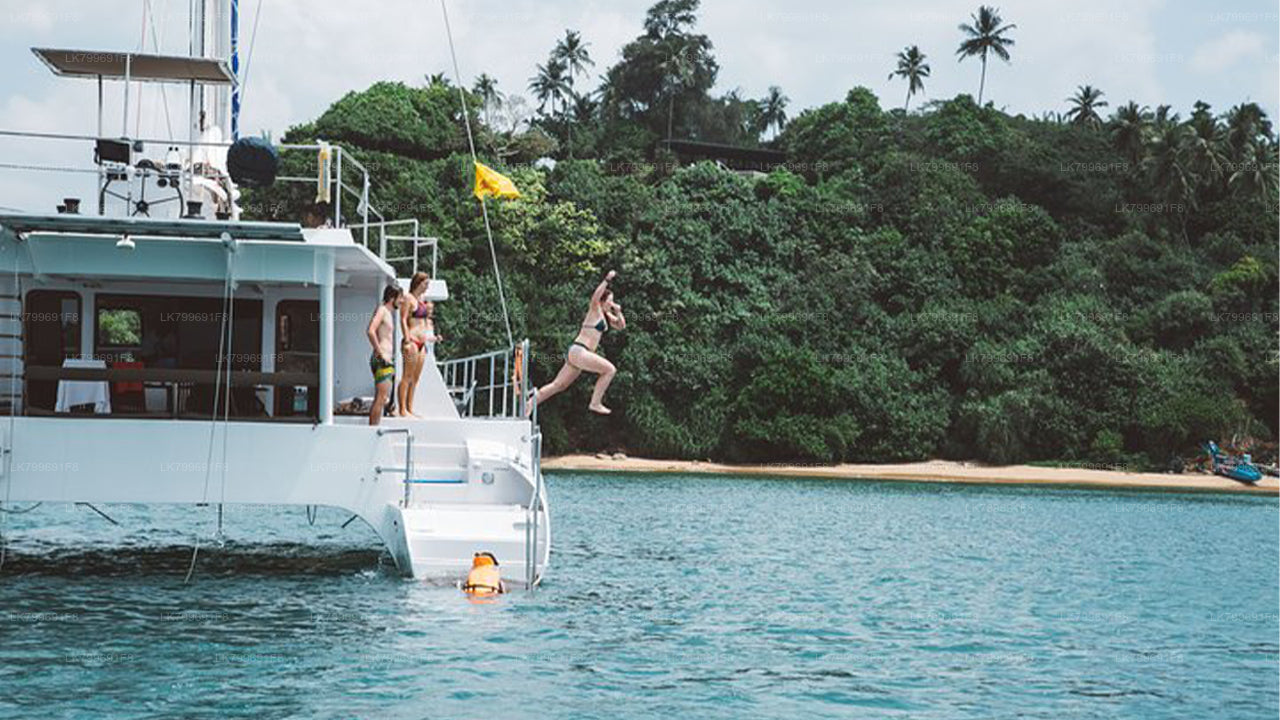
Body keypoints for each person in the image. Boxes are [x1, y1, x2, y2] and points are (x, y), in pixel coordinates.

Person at [532, 270, 626, 415]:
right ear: (602, 301)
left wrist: (618, 312)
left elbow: (621, 326)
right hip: (580, 351)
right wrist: (607, 279)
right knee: (610, 370)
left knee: (559, 385)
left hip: (577, 354)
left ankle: (530, 403)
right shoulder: (595, 310)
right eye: (610, 300)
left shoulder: (606, 316)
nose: (611, 303)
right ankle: (595, 403)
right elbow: (595, 297)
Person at [397, 272, 442, 418]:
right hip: (412, 342)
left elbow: (425, 320)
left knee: (415, 378)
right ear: (419, 282)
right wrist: (407, 338)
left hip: (422, 344)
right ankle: (402, 409)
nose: (427, 286)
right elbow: (403, 319)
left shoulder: (421, 300)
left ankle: (410, 408)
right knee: (406, 376)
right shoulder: (408, 298)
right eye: (426, 283)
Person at [366, 285, 400, 426]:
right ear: (392, 298)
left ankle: (374, 428)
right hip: (382, 360)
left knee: (382, 397)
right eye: (400, 298)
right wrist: (381, 353)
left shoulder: (388, 312)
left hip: (385, 359)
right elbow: (370, 331)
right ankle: (372, 430)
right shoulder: (382, 310)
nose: (402, 301)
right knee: (381, 398)